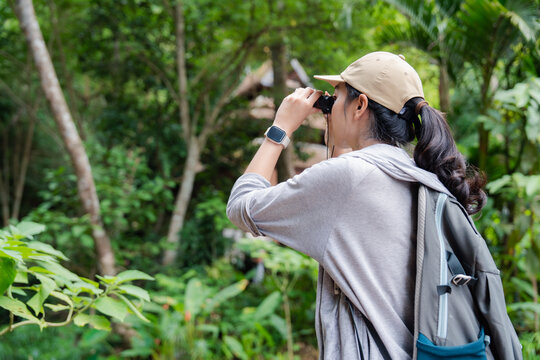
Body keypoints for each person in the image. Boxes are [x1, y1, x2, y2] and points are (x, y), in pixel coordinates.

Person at [226, 52, 486, 359]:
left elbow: (241, 207)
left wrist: (279, 130)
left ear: (360, 105)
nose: (331, 106)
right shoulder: (415, 174)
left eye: (336, 98)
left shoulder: (350, 176)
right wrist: (337, 133)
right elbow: (340, 224)